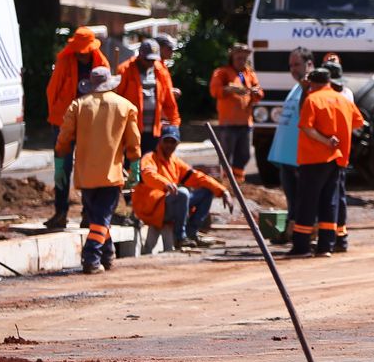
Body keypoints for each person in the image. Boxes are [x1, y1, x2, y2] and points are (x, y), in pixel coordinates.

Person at [54, 66, 142, 274]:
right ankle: (91, 258)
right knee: (101, 219)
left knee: (98, 218)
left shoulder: (78, 105)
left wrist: (60, 164)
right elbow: (133, 141)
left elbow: (64, 138)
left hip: (86, 176)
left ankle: (107, 255)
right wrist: (135, 166)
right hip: (111, 174)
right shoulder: (125, 106)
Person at [286, 67, 364, 258]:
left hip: (314, 158)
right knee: (330, 202)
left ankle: (302, 246)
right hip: (337, 159)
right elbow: (358, 122)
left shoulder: (313, 100)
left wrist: (326, 140)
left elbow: (306, 127)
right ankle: (326, 246)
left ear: (312, 83)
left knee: (307, 202)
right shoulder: (343, 100)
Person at [44, 26, 109, 229]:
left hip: (91, 122)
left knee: (89, 168)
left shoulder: (101, 63)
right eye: (78, 52)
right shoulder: (65, 60)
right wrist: (56, 117)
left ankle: (88, 214)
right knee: (62, 168)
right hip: (64, 122)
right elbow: (52, 90)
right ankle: (60, 212)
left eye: (84, 52)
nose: (81, 56)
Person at [133, 125, 233, 250]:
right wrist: (164, 183)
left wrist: (222, 191)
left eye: (173, 142)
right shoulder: (150, 158)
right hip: (153, 209)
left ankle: (191, 234)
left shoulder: (175, 162)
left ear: (177, 143)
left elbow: (198, 177)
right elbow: (148, 174)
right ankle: (180, 238)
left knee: (207, 191)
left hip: (169, 204)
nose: (169, 145)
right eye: (166, 141)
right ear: (160, 141)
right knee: (183, 193)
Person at [267, 47, 315, 238]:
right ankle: (294, 231)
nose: (292, 69)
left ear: (309, 64)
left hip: (300, 157)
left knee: (303, 199)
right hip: (288, 157)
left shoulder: (310, 89)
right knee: (293, 200)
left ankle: (302, 236)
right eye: (290, 65)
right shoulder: (297, 88)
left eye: (297, 64)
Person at [209, 43, 263, 183]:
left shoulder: (249, 74)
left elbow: (259, 92)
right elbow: (214, 91)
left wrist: (257, 93)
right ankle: (226, 182)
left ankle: (238, 181)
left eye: (244, 58)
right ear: (232, 57)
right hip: (228, 123)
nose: (242, 61)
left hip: (245, 122)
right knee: (227, 154)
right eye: (239, 58)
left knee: (244, 154)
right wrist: (229, 89)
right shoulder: (222, 72)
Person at [116, 39, 180, 155]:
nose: (150, 63)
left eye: (153, 60)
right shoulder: (125, 70)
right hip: (131, 130)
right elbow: (116, 100)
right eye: (147, 59)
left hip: (153, 132)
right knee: (131, 166)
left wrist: (174, 124)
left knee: (148, 167)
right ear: (140, 55)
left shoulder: (160, 71)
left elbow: (169, 102)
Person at [320, 53, 354, 251]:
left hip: (327, 153)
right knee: (338, 196)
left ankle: (330, 240)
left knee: (329, 198)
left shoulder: (326, 97)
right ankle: (340, 238)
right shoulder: (347, 94)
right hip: (342, 152)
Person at [154, 33, 182, 98]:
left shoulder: (162, 64)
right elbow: (152, 89)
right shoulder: (153, 65)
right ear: (159, 48)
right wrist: (170, 92)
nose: (172, 51)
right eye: (169, 48)